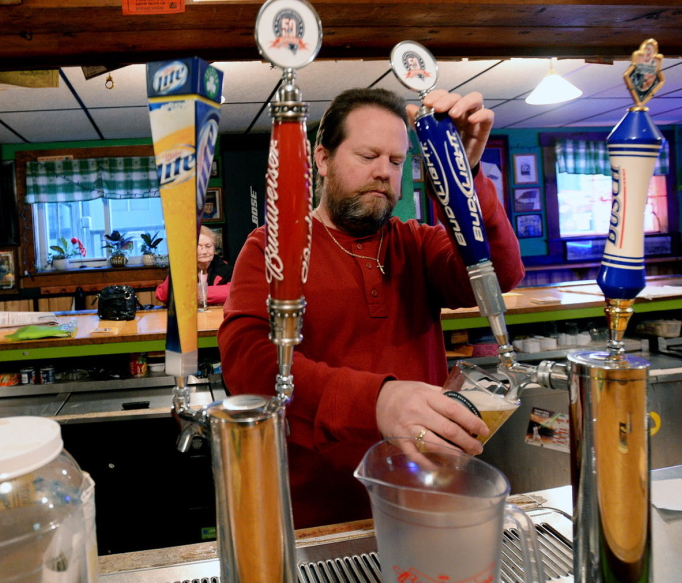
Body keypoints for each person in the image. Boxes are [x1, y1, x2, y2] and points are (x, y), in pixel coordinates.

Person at [218, 87, 525, 528]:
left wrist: (465, 176)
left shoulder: (416, 243)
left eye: (397, 162)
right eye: (367, 156)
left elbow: (500, 273)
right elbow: (248, 363)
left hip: (427, 501)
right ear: (322, 159)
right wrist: (377, 402)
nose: (384, 172)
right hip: (319, 519)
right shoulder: (272, 245)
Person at [155, 226, 233, 305]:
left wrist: (188, 294)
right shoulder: (181, 268)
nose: (205, 251)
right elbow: (164, 295)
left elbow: (231, 292)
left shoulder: (224, 268)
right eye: (199, 247)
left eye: (208, 246)